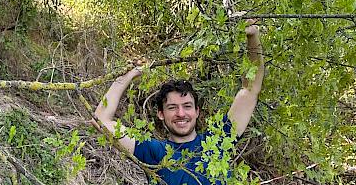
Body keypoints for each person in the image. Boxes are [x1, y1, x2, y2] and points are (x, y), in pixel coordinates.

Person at [94, 21, 264, 185]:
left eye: (187, 106)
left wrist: (252, 37)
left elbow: (250, 89)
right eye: (172, 107)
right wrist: (126, 76)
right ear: (161, 114)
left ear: (197, 111)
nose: (181, 114)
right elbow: (101, 120)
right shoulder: (154, 151)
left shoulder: (219, 140)